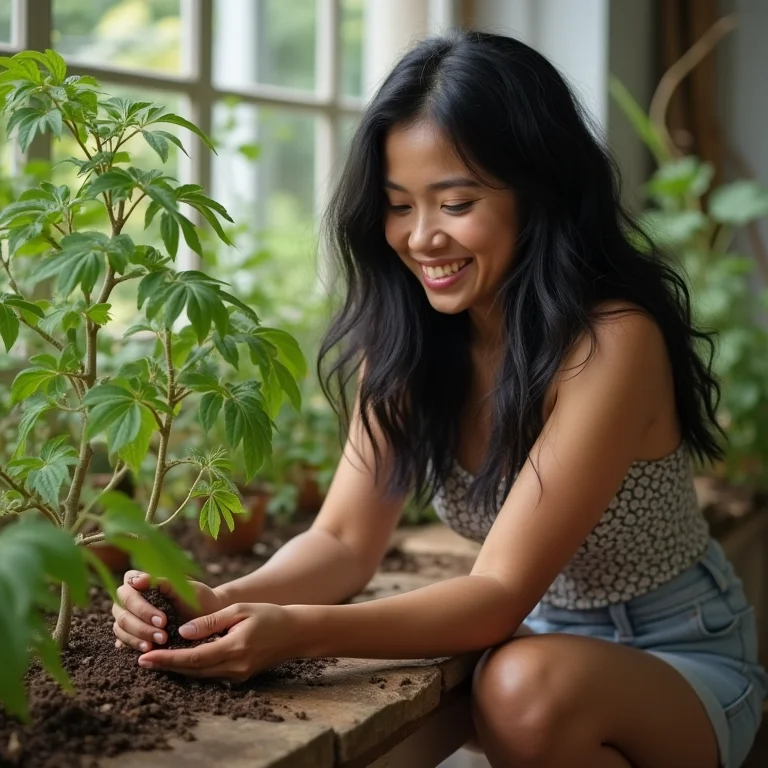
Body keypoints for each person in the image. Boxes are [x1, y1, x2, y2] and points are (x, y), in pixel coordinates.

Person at [111, 30, 767, 768]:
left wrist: (294, 630)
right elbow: (343, 542)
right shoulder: (406, 343)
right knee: (517, 683)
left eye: (456, 202)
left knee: (520, 690)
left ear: (539, 191)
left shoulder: (611, 343)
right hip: (541, 645)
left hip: (675, 650)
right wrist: (218, 606)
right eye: (398, 206)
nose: (421, 237)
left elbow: (495, 592)